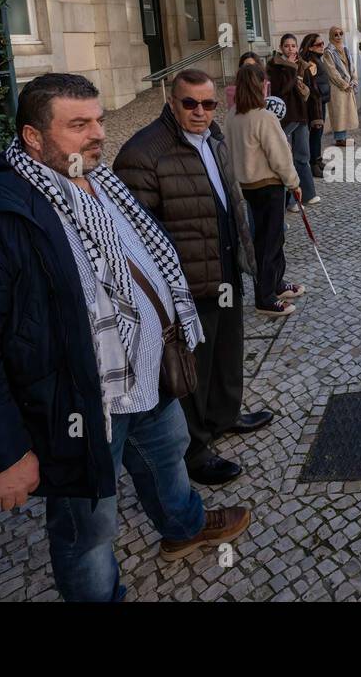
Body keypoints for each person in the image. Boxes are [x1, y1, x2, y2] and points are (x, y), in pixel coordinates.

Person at [0, 73, 251, 602]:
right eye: (78, 125)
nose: (98, 134)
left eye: (98, 119)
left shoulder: (101, 182)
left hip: (146, 372)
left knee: (168, 457)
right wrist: (2, 455)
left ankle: (184, 529)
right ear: (33, 136)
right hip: (79, 402)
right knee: (88, 525)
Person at [114, 69, 274, 487]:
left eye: (208, 104)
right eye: (190, 103)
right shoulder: (143, 153)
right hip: (184, 285)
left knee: (226, 350)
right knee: (190, 368)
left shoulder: (214, 136)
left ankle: (224, 415)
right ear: (172, 102)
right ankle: (194, 449)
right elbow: (136, 235)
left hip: (223, 268)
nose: (200, 111)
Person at [226, 61, 306, 319]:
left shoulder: (232, 115)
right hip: (268, 185)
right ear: (261, 86)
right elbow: (280, 156)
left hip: (246, 186)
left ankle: (276, 283)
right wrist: (294, 182)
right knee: (269, 241)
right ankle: (265, 297)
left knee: (268, 238)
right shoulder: (264, 117)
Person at [266, 33, 321, 211]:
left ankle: (308, 193)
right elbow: (281, 90)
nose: (290, 49)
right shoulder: (275, 66)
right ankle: (291, 201)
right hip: (286, 118)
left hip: (302, 117)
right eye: (287, 46)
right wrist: (292, 69)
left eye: (293, 46)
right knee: (286, 160)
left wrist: (317, 117)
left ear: (297, 47)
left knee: (303, 156)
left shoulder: (303, 66)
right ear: (281, 48)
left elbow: (312, 93)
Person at [300, 33, 332, 178]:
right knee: (315, 132)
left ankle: (318, 160)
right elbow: (312, 84)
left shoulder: (318, 59)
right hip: (315, 102)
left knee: (318, 133)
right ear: (311, 47)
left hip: (322, 100)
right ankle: (314, 163)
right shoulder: (311, 62)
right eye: (318, 45)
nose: (322, 47)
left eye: (322, 43)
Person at [322, 26, 360, 146]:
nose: (338, 37)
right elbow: (332, 71)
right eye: (335, 35)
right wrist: (344, 84)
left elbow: (352, 67)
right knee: (339, 112)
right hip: (337, 87)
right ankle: (339, 138)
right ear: (331, 36)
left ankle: (343, 137)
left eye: (340, 34)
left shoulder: (346, 49)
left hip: (348, 85)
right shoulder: (328, 52)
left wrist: (354, 80)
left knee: (346, 112)